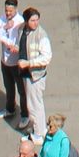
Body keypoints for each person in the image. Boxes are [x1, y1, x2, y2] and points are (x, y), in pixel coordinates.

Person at [17, 7, 52, 140]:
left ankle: (38, 134)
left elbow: (47, 57)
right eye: (32, 20)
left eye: (37, 20)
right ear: (26, 21)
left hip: (35, 76)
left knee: (34, 104)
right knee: (34, 103)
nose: (36, 23)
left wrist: (28, 63)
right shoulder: (22, 29)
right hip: (26, 73)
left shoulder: (41, 35)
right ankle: (39, 127)